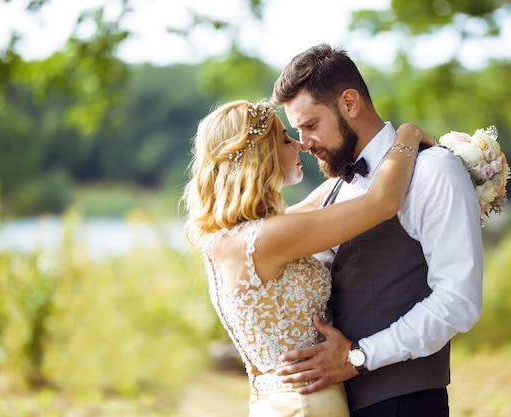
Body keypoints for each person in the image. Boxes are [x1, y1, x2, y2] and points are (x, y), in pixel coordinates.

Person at [182, 99, 434, 417]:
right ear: (262, 157)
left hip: (273, 401)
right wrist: (407, 136)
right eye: (286, 139)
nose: (299, 144)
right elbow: (381, 202)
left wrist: (373, 151)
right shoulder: (268, 237)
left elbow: (320, 203)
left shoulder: (229, 237)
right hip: (308, 402)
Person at [271, 44, 484, 417]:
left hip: (405, 403)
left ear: (349, 103)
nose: (304, 144)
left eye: (310, 125)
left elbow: (459, 299)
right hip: (334, 405)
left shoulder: (433, 171)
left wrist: (359, 356)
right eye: (297, 131)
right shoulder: (336, 186)